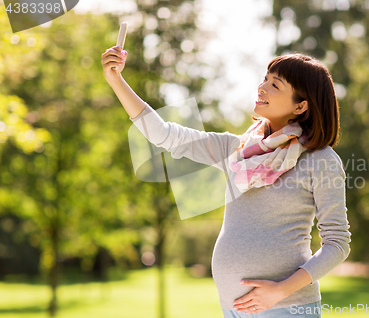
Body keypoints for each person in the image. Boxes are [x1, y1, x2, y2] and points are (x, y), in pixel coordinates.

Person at [101, 45, 351, 317]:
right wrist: (116, 80)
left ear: (300, 105)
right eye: (264, 79)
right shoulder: (238, 150)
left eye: (274, 85)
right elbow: (165, 135)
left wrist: (279, 290)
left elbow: (337, 244)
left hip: (286, 308)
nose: (261, 87)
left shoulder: (320, 160)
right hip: (232, 309)